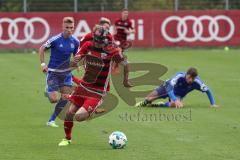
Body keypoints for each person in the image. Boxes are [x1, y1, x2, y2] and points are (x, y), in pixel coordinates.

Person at [58, 25, 124, 146]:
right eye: (95, 40)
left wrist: (122, 74)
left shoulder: (111, 51)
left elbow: (122, 61)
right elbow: (74, 61)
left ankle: (92, 109)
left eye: (99, 41)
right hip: (84, 87)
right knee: (68, 113)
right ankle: (67, 138)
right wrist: (75, 61)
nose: (96, 43)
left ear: (104, 40)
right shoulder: (88, 45)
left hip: (98, 92)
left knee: (78, 117)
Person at [39, 17, 80, 127]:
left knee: (65, 97)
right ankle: (48, 90)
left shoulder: (75, 41)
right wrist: (43, 64)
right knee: (53, 99)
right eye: (67, 27)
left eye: (71, 28)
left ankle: (51, 120)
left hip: (66, 74)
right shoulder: (55, 39)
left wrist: (78, 63)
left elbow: (76, 55)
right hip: (53, 73)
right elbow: (42, 48)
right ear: (63, 27)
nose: (69, 30)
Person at [135, 67, 219, 108]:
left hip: (178, 94)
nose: (190, 80)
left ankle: (161, 105)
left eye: (192, 79)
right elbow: (169, 88)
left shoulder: (197, 83)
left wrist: (213, 104)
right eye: (189, 77)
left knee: (177, 105)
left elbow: (208, 91)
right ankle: (145, 102)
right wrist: (175, 99)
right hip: (166, 87)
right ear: (187, 74)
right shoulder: (179, 76)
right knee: (149, 98)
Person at [114, 9, 135, 87]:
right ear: (122, 13)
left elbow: (133, 30)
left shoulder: (129, 22)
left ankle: (117, 63)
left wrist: (129, 32)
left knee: (121, 57)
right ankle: (116, 64)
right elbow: (115, 29)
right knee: (118, 52)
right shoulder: (117, 21)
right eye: (124, 13)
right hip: (116, 40)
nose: (126, 14)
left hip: (123, 41)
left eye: (127, 13)